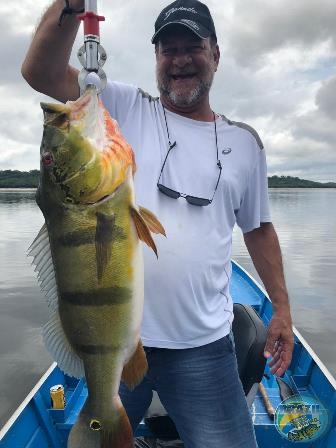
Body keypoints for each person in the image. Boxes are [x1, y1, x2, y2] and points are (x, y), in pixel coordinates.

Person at [22, 0, 294, 447]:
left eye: (194, 46)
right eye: (168, 49)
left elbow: (259, 229)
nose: (180, 59)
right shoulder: (122, 109)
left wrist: (281, 309)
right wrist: (71, 6)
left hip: (203, 347)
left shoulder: (245, 144)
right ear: (156, 60)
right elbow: (40, 71)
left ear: (216, 55)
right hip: (116, 345)